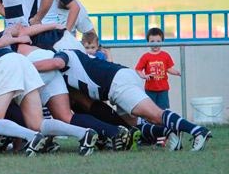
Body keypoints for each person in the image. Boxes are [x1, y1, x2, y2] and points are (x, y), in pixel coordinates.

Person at [33, 49, 211, 151]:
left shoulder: (64, 53)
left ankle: (197, 131)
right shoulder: (71, 70)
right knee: (131, 124)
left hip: (117, 83)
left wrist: (27, 67)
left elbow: (56, 63)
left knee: (155, 114)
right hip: (118, 81)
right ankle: (168, 131)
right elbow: (87, 104)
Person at [135, 27, 180, 109]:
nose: (155, 44)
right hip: (150, 89)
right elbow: (138, 69)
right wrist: (144, 76)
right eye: (152, 41)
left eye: (158, 41)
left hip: (163, 88)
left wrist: (177, 73)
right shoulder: (146, 57)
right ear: (148, 42)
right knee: (151, 108)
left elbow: (168, 69)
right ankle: (150, 122)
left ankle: (162, 121)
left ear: (162, 41)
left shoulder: (165, 55)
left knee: (162, 108)